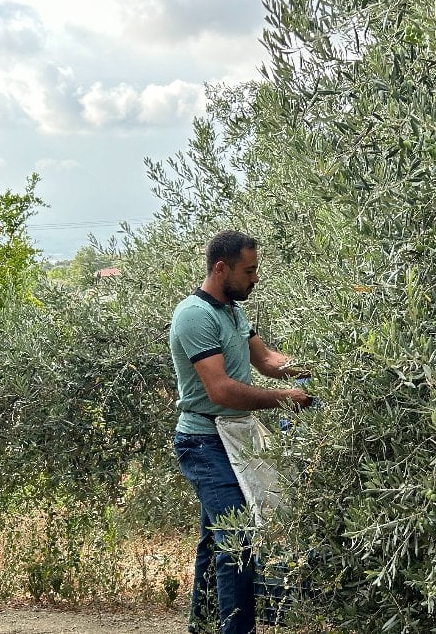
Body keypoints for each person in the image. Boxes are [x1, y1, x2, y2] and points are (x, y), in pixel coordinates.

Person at [169, 230, 312, 634]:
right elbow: (222, 390)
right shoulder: (194, 314)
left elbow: (266, 359)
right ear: (221, 268)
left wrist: (316, 366)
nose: (255, 278)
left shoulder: (233, 309)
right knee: (238, 539)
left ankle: (204, 626)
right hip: (203, 441)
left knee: (217, 541)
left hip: (235, 437)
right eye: (249, 271)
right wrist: (285, 397)